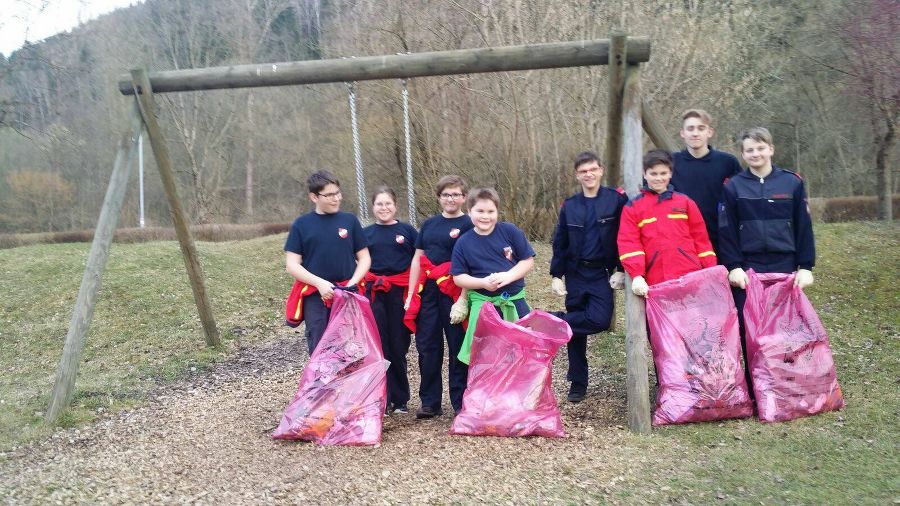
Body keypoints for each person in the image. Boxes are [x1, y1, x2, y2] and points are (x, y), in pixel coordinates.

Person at [549, 151, 628, 403]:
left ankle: (555, 321)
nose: (588, 174)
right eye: (583, 171)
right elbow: (560, 242)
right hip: (575, 271)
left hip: (601, 272)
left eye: (592, 169)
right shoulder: (570, 205)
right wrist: (556, 275)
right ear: (577, 175)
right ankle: (578, 383)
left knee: (600, 320)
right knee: (576, 332)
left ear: (601, 170)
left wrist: (622, 269)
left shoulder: (615, 200)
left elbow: (625, 234)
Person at [718, 126, 815, 319]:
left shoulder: (792, 182)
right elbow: (726, 230)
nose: (756, 154)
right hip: (747, 266)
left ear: (771, 149)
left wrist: (805, 266)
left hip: (784, 264)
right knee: (749, 324)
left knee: (783, 324)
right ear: (743, 155)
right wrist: (733, 266)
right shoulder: (733, 186)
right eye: (750, 150)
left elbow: (803, 226)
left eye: (760, 148)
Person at [403, 175, 473, 419]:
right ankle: (430, 401)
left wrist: (464, 298)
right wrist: (411, 294)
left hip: (455, 290)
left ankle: (460, 401)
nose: (450, 199)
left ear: (464, 197)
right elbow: (417, 260)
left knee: (457, 346)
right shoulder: (429, 225)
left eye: (455, 194)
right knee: (427, 346)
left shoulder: (470, 223)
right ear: (439, 198)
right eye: (446, 194)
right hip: (429, 292)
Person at [284, 170, 371, 356]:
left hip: (348, 294)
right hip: (317, 297)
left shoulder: (350, 220)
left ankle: (349, 385)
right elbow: (292, 264)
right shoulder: (302, 224)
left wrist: (352, 283)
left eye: (337, 193)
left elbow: (364, 258)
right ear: (314, 197)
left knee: (350, 348)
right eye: (329, 195)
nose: (336, 198)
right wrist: (319, 283)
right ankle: (322, 385)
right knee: (320, 348)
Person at [451, 187, 536, 365]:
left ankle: (516, 391)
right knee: (486, 359)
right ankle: (488, 391)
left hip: (514, 303)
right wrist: (482, 282)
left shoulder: (509, 231)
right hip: (484, 308)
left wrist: (509, 276)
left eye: (491, 211)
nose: (485, 216)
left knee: (520, 355)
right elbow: (458, 277)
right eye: (480, 211)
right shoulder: (463, 242)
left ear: (497, 211)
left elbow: (527, 261)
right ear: (469, 211)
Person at [617, 149, 717, 295]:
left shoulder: (685, 202)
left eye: (663, 173)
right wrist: (637, 275)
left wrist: (710, 268)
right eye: (653, 173)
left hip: (690, 276)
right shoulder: (633, 207)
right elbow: (629, 243)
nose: (658, 178)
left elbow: (701, 239)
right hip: (655, 281)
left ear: (670, 173)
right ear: (645, 174)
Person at [363, 186, 417, 415]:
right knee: (378, 345)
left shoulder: (408, 231)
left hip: (399, 293)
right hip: (374, 293)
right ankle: (380, 397)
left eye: (388, 203)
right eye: (379, 204)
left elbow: (418, 261)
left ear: (395, 205)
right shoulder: (365, 234)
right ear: (372, 207)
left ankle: (400, 398)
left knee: (398, 344)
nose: (384, 208)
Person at [671, 109, 742, 255]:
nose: (695, 133)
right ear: (682, 133)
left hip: (721, 241)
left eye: (700, 128)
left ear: (709, 132)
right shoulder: (670, 163)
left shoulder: (728, 162)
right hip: (682, 242)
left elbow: (741, 197)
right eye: (690, 129)